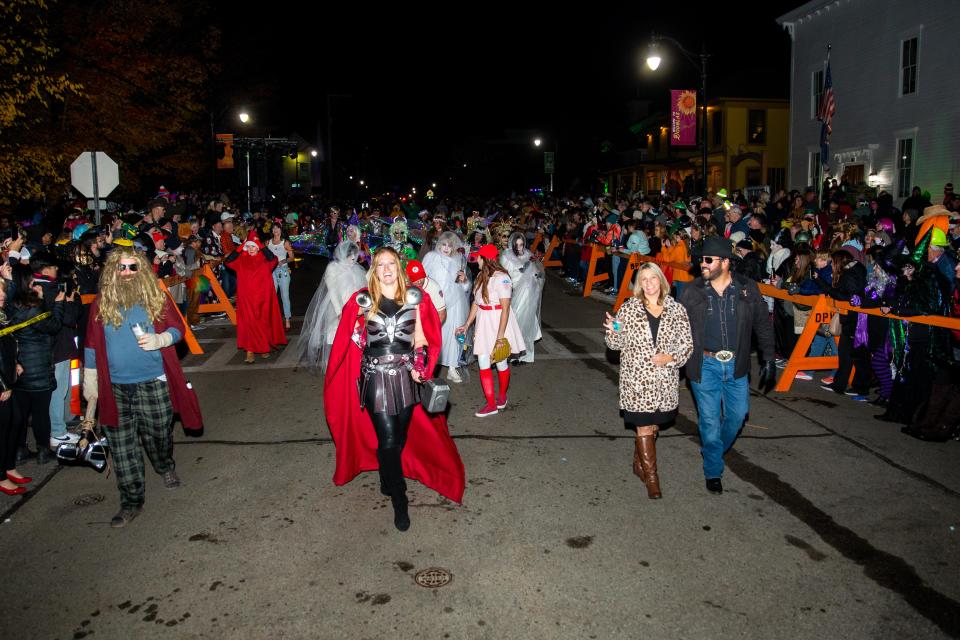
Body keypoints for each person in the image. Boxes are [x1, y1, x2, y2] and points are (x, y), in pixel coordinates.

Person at [323, 247, 465, 532]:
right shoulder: (363, 301)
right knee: (387, 440)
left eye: (391, 264)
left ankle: (387, 477)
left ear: (398, 268)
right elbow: (349, 338)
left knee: (398, 437)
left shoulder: (415, 300)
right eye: (380, 264)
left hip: (405, 378)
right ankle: (400, 500)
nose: (386, 269)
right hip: (375, 378)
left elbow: (423, 340)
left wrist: (420, 367)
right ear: (373, 270)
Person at [83, 247, 203, 528]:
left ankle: (164, 464)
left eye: (132, 268)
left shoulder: (155, 298)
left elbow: (178, 329)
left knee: (158, 434)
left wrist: (161, 340)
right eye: (121, 268)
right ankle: (131, 501)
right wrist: (90, 383)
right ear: (112, 271)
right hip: (115, 388)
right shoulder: (101, 304)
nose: (126, 273)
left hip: (153, 382)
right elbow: (90, 344)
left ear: (142, 271)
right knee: (122, 448)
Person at [678, 236, 777, 494]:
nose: (703, 264)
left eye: (708, 260)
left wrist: (768, 357)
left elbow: (763, 325)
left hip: (737, 364)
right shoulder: (691, 291)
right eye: (701, 259)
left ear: (725, 263)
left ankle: (712, 450)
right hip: (705, 365)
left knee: (737, 415)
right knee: (709, 423)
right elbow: (675, 328)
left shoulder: (747, 289)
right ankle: (713, 470)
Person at [603, 262, 692, 499]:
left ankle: (638, 461)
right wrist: (613, 331)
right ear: (639, 284)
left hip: (664, 382)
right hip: (637, 381)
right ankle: (652, 478)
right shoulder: (629, 308)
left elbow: (687, 346)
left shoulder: (677, 310)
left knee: (653, 427)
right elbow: (615, 345)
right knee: (643, 425)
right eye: (644, 279)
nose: (649, 284)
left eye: (653, 278)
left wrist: (670, 358)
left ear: (661, 281)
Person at [456, 244, 526, 418]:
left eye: (478, 257)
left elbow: (505, 308)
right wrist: (466, 324)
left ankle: (501, 397)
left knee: (501, 361)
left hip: (498, 322)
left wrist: (500, 336)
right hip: (484, 322)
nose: (476, 260)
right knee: (484, 362)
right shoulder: (481, 275)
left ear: (485, 259)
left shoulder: (502, 278)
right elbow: (476, 303)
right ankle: (491, 403)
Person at [9, 264, 66, 465]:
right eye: (32, 281)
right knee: (41, 413)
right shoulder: (33, 307)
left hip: (17, 367)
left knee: (21, 413)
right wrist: (56, 304)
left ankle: (19, 449)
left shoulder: (8, 307)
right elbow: (53, 326)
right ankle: (43, 450)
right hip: (38, 367)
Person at [297, 241, 366, 372]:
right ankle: (334, 365)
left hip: (355, 309)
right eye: (350, 256)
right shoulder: (333, 268)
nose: (353, 259)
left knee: (354, 336)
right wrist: (340, 311)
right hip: (337, 309)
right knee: (335, 336)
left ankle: (351, 364)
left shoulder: (356, 268)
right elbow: (333, 291)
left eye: (355, 256)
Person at [224, 231, 288, 364]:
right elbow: (227, 262)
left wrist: (262, 246)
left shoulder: (265, 261)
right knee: (249, 324)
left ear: (258, 246)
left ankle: (263, 347)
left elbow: (274, 259)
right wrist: (241, 247)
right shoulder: (241, 260)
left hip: (262, 299)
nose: (251, 249)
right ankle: (250, 351)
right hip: (246, 299)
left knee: (262, 323)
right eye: (249, 246)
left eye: (254, 246)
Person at [421, 231, 471, 382]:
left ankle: (452, 367)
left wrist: (464, 280)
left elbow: (465, 288)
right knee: (430, 334)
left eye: (450, 246)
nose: (446, 248)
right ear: (438, 244)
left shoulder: (458, 261)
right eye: (444, 244)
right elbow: (422, 278)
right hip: (435, 302)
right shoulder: (431, 257)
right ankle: (426, 366)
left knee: (453, 335)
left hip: (455, 304)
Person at [0, 275, 30, 495]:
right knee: (3, 429)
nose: (2, 295)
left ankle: (9, 466)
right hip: (2, 382)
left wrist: (16, 362)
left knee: (16, 421)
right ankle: (1, 476)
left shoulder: (3, 315)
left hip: (9, 374)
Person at [499, 232, 544, 364]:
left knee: (528, 324)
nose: (519, 247)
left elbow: (536, 272)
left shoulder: (528, 255)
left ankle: (526, 355)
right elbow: (504, 275)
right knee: (515, 324)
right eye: (516, 245)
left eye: (522, 244)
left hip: (528, 294)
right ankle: (512, 354)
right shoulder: (506, 256)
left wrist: (537, 276)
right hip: (514, 293)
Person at [266, 222, 295, 330]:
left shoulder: (285, 242)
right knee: (272, 296)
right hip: (271, 272)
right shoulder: (268, 242)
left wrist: (283, 260)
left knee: (285, 296)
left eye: (277, 228)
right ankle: (272, 319)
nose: (275, 230)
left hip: (283, 271)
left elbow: (292, 257)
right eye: (273, 228)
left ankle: (287, 319)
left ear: (280, 229)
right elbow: (263, 255)